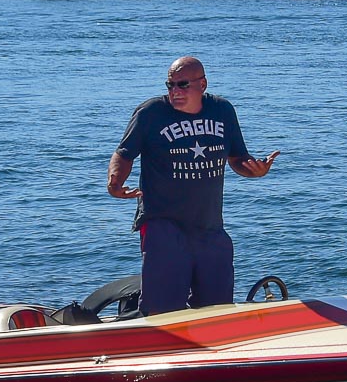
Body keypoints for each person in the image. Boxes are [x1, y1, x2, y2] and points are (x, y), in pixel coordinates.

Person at [107, 56, 279, 316]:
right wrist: (115, 182)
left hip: (210, 226)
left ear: (203, 84)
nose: (175, 91)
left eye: (183, 85)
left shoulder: (222, 111)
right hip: (163, 224)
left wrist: (255, 170)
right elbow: (124, 153)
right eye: (170, 85)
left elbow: (237, 158)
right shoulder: (150, 113)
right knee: (163, 309)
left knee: (216, 308)